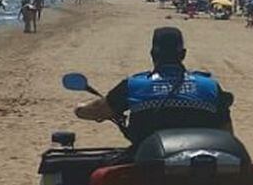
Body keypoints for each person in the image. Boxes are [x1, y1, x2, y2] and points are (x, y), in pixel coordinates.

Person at [74, 26, 234, 146]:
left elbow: (96, 110)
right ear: (183, 54)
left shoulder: (134, 85)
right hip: (201, 167)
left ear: (152, 53)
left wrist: (79, 108)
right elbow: (228, 134)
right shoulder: (210, 86)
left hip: (147, 167)